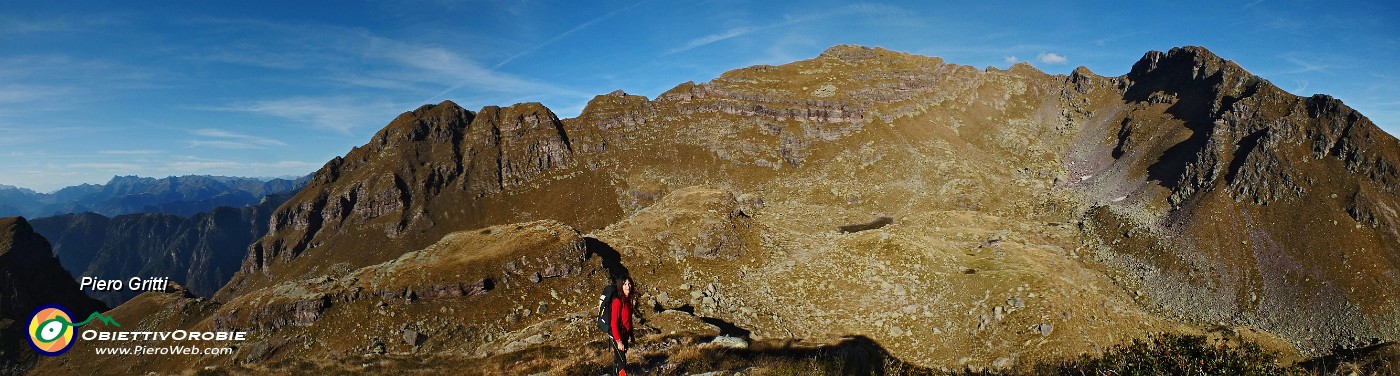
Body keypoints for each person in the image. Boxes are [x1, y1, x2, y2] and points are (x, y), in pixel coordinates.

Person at [609, 275, 635, 375]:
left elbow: (629, 320)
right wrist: (619, 341)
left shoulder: (628, 300)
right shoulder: (617, 301)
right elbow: (613, 323)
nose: (627, 286)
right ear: (620, 286)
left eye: (629, 284)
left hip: (625, 335)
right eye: (624, 284)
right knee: (622, 364)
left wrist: (631, 335)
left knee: (618, 360)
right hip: (617, 337)